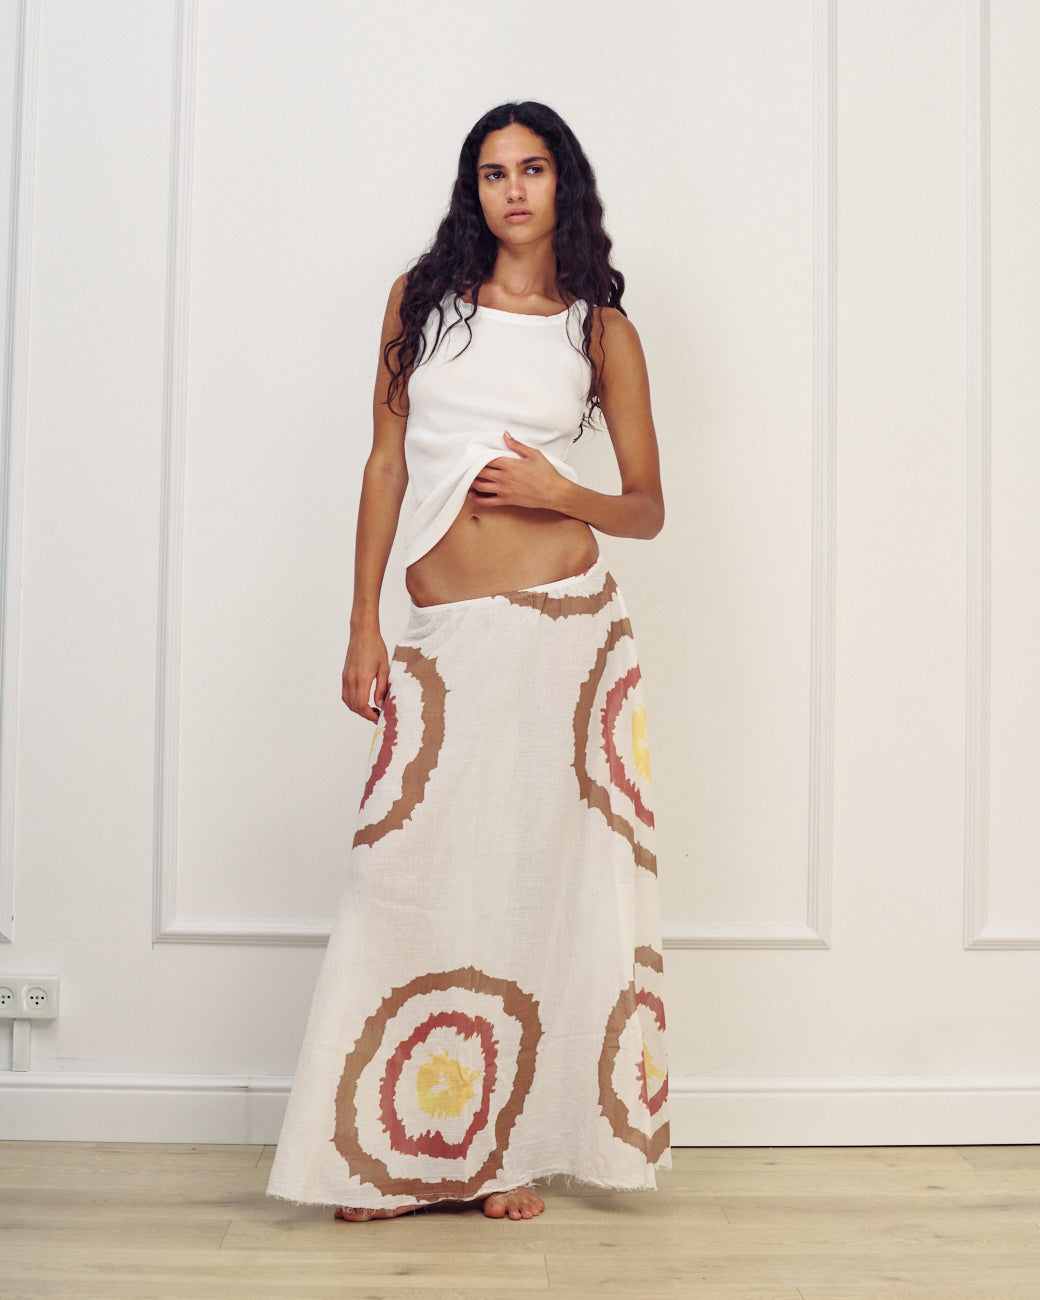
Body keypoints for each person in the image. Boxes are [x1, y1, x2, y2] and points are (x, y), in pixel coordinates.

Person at [266, 100, 669, 1224]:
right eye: (493, 172)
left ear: (561, 183)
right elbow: (385, 463)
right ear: (473, 189)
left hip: (564, 634)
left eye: (532, 168)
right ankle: (386, 1163)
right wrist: (362, 624)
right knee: (400, 874)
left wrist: (560, 490)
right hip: (445, 634)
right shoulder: (422, 304)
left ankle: (501, 1153)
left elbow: (646, 507)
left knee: (530, 880)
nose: (513, 190)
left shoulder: (598, 331)